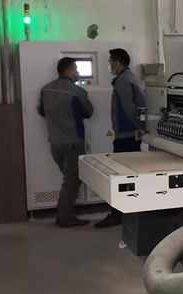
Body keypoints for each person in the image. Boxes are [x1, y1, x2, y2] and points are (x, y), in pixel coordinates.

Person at [38, 57, 94, 228]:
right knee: (72, 180)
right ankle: (64, 217)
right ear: (69, 70)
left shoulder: (46, 89)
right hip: (72, 142)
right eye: (76, 69)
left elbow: (42, 111)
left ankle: (65, 213)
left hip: (55, 143)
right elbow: (88, 112)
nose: (77, 73)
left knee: (69, 179)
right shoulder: (77, 92)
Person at [95, 48, 146, 229]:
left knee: (120, 176)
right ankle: (128, 213)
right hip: (131, 134)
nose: (109, 65)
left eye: (110, 62)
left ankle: (117, 214)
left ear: (117, 63)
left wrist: (139, 128)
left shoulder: (123, 80)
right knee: (128, 175)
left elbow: (129, 108)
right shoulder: (132, 77)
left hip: (126, 135)